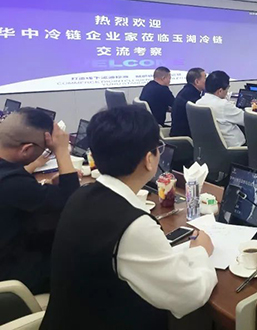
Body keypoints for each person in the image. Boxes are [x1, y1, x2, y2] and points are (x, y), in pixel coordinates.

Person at [41, 107, 217, 330]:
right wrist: (200, 251)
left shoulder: (82, 195)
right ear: (149, 159)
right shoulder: (133, 226)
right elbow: (190, 295)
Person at [0, 108, 78, 294]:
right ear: (26, 149)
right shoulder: (13, 183)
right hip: (11, 272)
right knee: (83, 255)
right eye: (46, 149)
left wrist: (49, 186)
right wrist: (61, 151)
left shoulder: (10, 177)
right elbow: (73, 204)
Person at [196, 71, 245, 147]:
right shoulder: (223, 105)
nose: (227, 92)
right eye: (227, 89)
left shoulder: (198, 103)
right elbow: (247, 120)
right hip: (235, 148)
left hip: (212, 148)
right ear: (220, 91)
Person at [170, 68, 206, 137]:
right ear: (197, 81)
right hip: (185, 136)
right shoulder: (192, 96)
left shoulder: (186, 91)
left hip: (178, 133)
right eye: (205, 78)